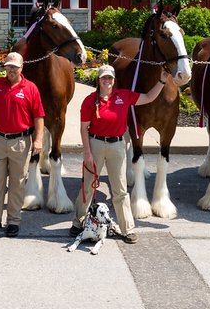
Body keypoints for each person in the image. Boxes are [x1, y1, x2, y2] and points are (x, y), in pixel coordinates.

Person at [70, 63, 169, 244]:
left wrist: (162, 81)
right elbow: (84, 128)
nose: (107, 81)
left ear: (114, 80)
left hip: (117, 146)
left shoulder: (123, 96)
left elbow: (148, 97)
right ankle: (78, 222)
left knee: (120, 190)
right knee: (88, 186)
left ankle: (127, 229)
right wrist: (87, 152)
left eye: (109, 78)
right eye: (103, 78)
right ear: (98, 80)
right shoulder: (90, 101)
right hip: (96, 144)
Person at [0, 51, 45, 237]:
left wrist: (38, 140)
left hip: (21, 142)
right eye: (8, 67)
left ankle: (13, 221)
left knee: (17, 184)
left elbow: (39, 116)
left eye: (15, 66)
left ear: (22, 68)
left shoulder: (31, 88)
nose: (11, 70)